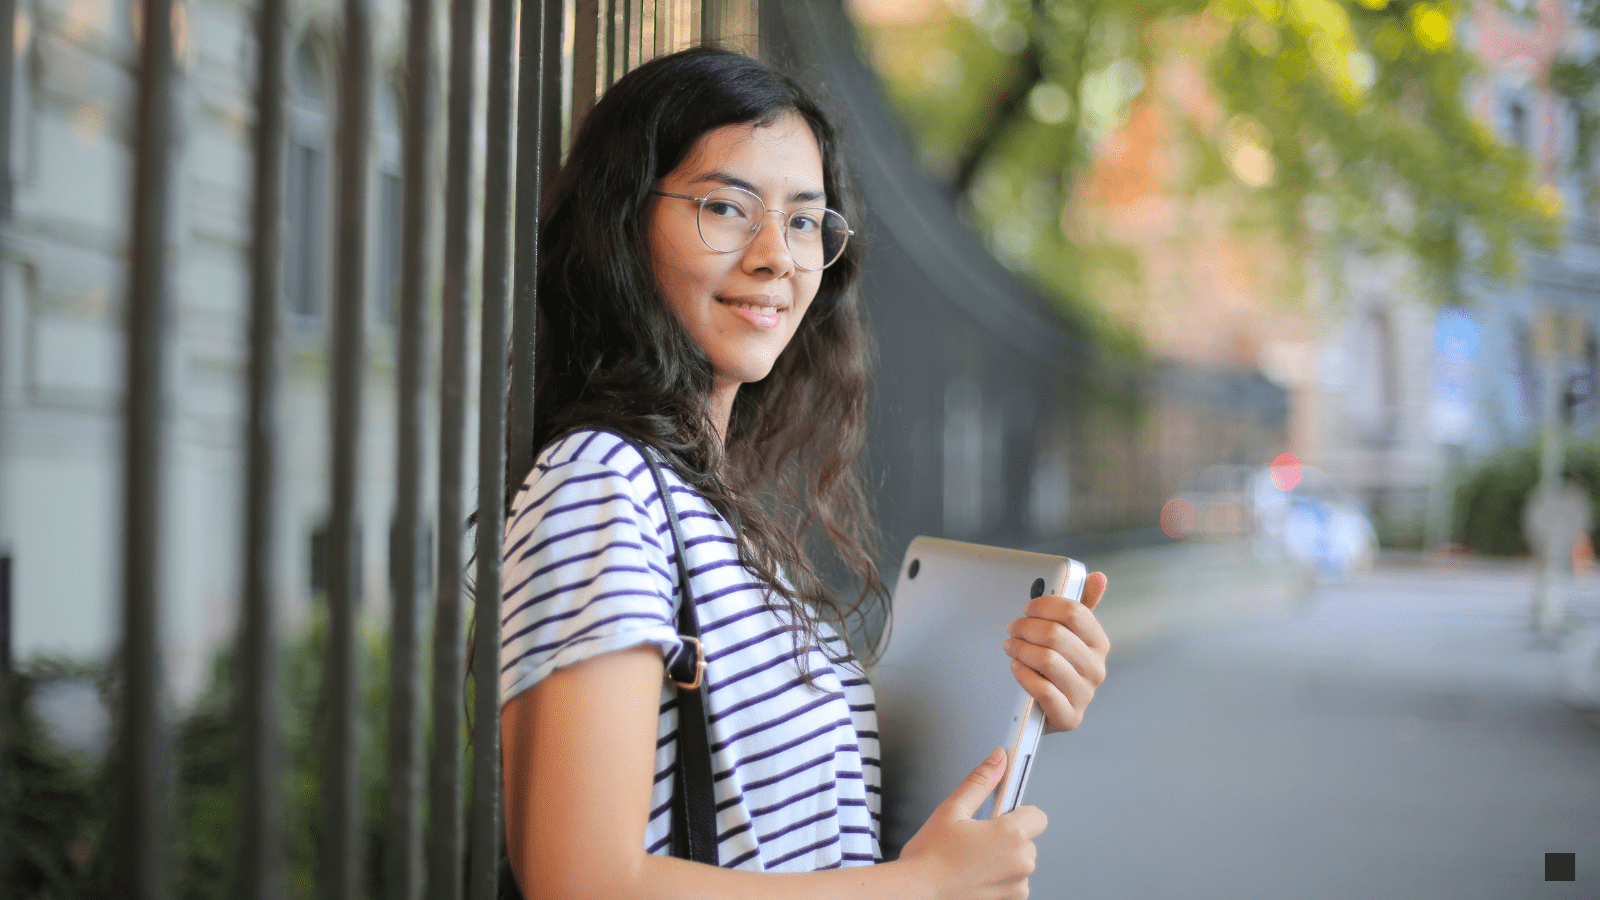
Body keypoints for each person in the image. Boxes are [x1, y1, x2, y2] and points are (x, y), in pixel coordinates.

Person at [497, 46, 1111, 900]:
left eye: (802, 221)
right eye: (725, 206)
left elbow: (803, 831)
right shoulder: (604, 483)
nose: (775, 258)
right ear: (622, 220)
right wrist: (915, 891)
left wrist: (1013, 702)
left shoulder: (723, 515)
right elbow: (580, 880)